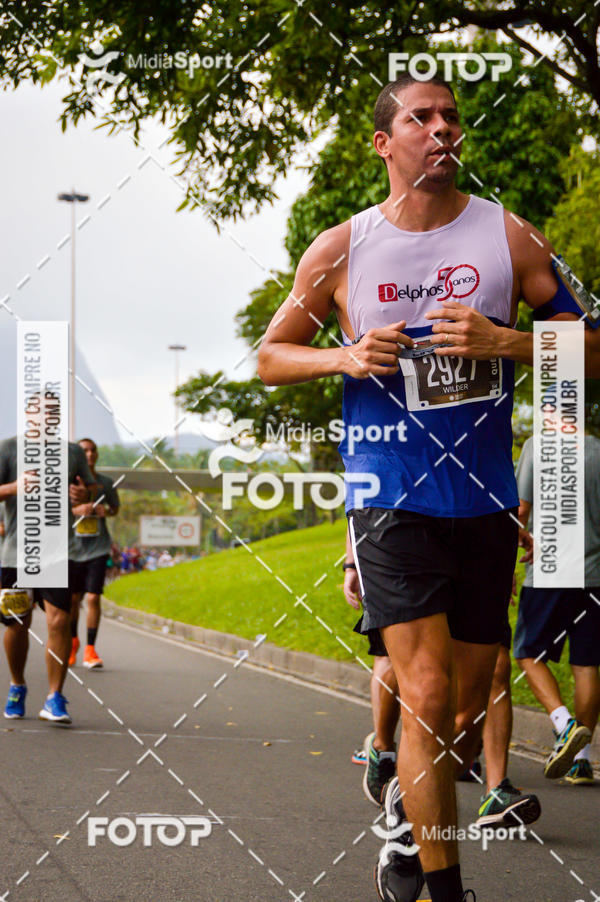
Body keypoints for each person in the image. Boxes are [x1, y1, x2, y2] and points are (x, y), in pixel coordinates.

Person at [257, 71, 600, 902]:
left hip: (482, 502)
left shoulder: (510, 237)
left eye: (452, 116)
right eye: (422, 117)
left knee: (462, 714)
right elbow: (270, 358)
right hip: (390, 498)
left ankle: (408, 830)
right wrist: (341, 355)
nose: (443, 128)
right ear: (384, 143)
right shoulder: (342, 248)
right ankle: (446, 892)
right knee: (428, 690)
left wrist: (509, 344)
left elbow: (594, 347)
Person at [343, 531, 541, 829]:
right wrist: (352, 563)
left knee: (497, 668)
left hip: (472, 540)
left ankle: (495, 789)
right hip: (400, 540)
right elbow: (358, 491)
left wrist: (500, 547)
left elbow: (486, 486)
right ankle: (383, 749)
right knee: (400, 663)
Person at [514, 432, 600, 785]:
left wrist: (518, 544)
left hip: (548, 572)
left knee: (528, 652)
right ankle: (582, 759)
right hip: (594, 574)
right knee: (586, 663)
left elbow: (520, 509)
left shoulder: (538, 445)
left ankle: (565, 726)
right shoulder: (597, 448)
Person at [1, 431, 94, 723]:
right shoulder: (9, 448)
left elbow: (89, 489)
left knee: (60, 620)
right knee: (18, 624)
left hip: (56, 553)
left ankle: (55, 697)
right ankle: (17, 685)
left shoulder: (72, 453)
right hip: (17, 554)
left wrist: (83, 495)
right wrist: (14, 487)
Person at [69, 438, 120, 670]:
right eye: (84, 450)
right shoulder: (66, 481)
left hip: (98, 548)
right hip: (72, 548)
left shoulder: (106, 483)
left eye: (92, 450)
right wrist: (74, 510)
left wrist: (103, 511)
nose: (89, 454)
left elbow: (115, 509)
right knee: (72, 600)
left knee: (93, 597)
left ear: (97, 455)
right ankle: (72, 643)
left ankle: (90, 649)